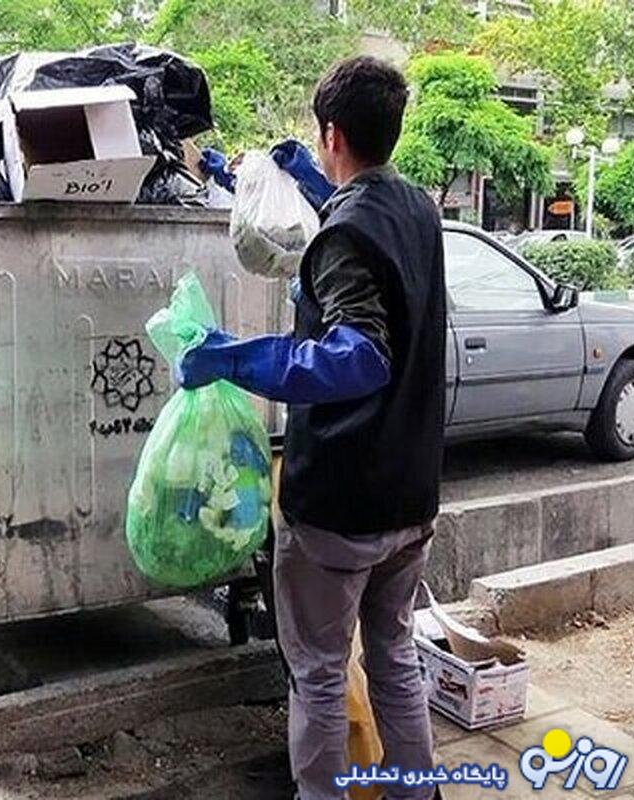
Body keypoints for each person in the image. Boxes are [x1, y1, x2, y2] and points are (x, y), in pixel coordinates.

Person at [177, 56, 445, 800]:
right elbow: (372, 247)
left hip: (340, 506)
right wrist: (300, 182)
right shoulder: (419, 208)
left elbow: (359, 355)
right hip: (410, 501)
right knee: (393, 657)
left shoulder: (343, 235)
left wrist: (235, 358)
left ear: (331, 130)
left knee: (322, 675)